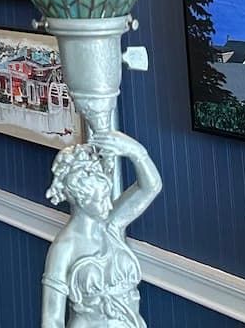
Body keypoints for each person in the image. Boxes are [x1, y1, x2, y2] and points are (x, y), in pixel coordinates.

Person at [41, 130, 163, 327]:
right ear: (80, 199)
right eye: (100, 200)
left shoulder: (111, 225)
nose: (108, 205)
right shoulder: (65, 248)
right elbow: (51, 320)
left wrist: (136, 152)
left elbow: (151, 187)